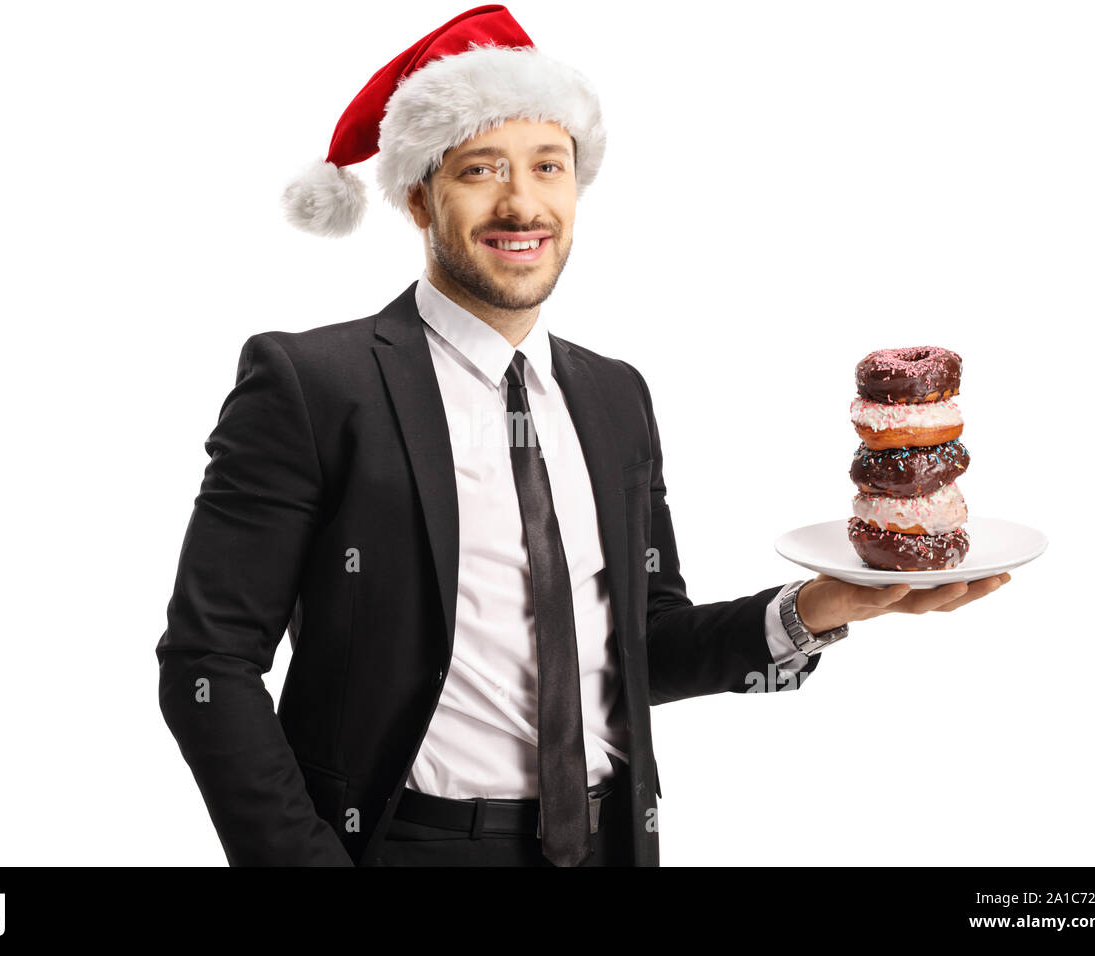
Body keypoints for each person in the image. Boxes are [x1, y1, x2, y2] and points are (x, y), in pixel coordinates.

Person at [154, 4, 1009, 867]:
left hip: (611, 844)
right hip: (408, 845)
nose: (521, 201)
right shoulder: (314, 384)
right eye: (480, 168)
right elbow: (208, 661)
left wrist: (821, 608)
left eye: (548, 166)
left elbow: (643, 644)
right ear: (418, 195)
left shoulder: (614, 394)